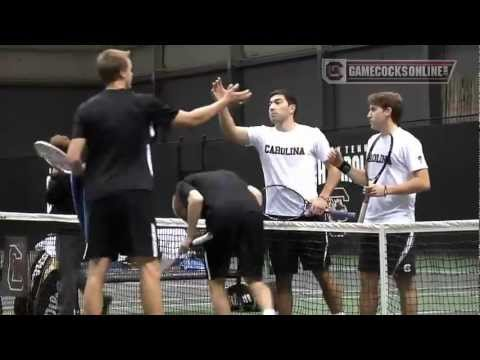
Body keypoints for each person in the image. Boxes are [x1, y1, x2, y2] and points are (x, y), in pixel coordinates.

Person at [66, 49, 252, 315]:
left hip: (99, 196)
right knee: (149, 267)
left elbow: (73, 158)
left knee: (97, 270)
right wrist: (223, 102)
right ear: (121, 72)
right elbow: (192, 119)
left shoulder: (86, 109)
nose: (132, 72)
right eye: (129, 67)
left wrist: (86, 170)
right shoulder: (143, 103)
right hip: (134, 194)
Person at [212, 79, 344, 315]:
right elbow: (231, 133)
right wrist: (223, 104)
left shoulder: (311, 135)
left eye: (277, 102)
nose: (271, 107)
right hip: (276, 221)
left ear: (291, 108)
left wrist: (323, 198)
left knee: (323, 274)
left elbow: (335, 167)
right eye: (269, 103)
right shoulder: (262, 135)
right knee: (283, 282)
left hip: (309, 220)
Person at [327, 92, 431, 315]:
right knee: (367, 282)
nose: (368, 115)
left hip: (398, 225)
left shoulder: (409, 142)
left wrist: (386, 190)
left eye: (373, 110)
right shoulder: (372, 141)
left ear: (387, 111)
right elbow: (368, 178)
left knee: (404, 283)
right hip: (372, 225)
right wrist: (342, 165)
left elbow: (423, 182)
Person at [172, 170, 275, 315]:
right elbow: (256, 193)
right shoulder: (230, 176)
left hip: (221, 215)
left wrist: (189, 236)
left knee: (216, 283)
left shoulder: (182, 185)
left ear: (179, 202)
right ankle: (269, 312)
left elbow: (195, 200)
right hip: (253, 214)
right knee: (254, 279)